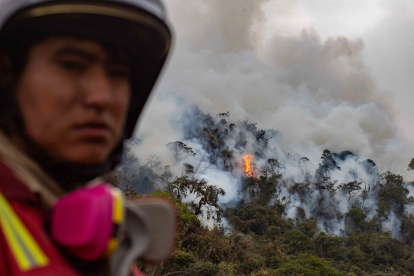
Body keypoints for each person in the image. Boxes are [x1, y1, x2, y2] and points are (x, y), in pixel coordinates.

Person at [0, 0, 176, 275]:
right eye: (72, 65)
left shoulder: (95, 238)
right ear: (7, 76)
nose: (102, 97)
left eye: (118, 73)